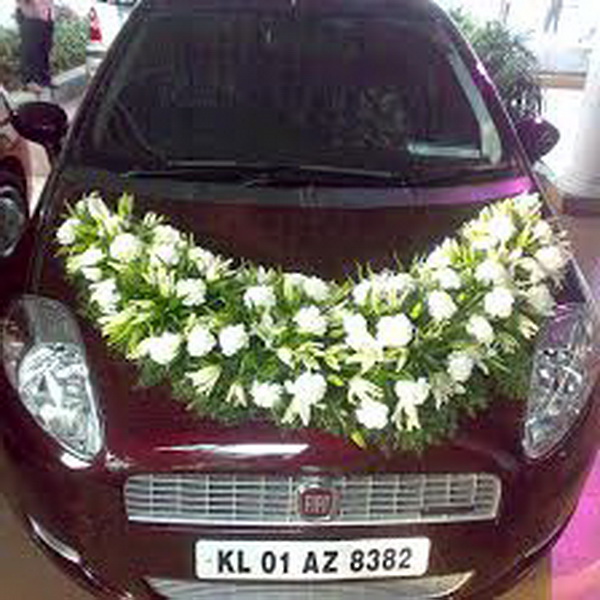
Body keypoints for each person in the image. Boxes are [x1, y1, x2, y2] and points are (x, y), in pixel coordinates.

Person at [15, 0, 55, 96]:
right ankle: (30, 82)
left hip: (46, 16)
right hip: (30, 17)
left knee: (45, 50)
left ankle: (45, 79)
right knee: (30, 51)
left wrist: (51, 14)